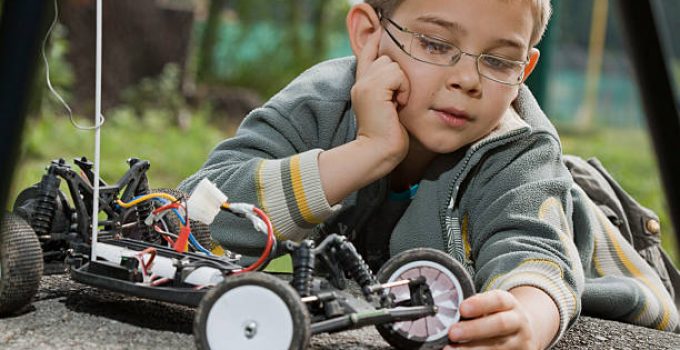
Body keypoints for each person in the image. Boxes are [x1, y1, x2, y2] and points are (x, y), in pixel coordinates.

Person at [180, 0, 678, 348]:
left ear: (523, 71)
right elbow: (196, 212)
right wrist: (368, 152)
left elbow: (537, 257)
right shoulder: (320, 103)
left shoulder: (517, 150)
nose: (466, 79)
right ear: (369, 35)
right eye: (437, 45)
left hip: (593, 242)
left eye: (499, 61)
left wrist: (527, 317)